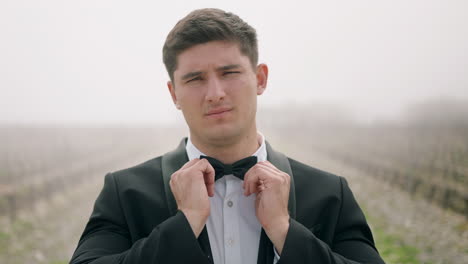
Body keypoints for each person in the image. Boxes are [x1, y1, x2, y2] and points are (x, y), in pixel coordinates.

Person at [70, 8, 385, 264]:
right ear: (174, 93)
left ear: (260, 79)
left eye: (229, 73)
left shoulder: (331, 193)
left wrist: (285, 231)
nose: (215, 93)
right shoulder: (124, 193)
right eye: (195, 79)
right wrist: (186, 222)